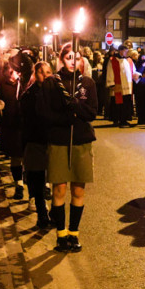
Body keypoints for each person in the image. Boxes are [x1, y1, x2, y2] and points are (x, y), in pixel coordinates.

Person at [41, 44, 99, 252]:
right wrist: (64, 118)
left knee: (78, 189)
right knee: (59, 189)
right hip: (59, 141)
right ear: (62, 59)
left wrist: (77, 107)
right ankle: (61, 234)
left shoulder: (88, 83)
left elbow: (92, 112)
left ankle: (74, 233)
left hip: (81, 141)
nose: (73, 61)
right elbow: (45, 114)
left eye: (77, 57)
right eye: (69, 57)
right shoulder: (51, 83)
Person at [21, 60, 54, 230]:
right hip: (35, 141)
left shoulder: (56, 92)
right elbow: (26, 118)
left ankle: (55, 213)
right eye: (41, 72)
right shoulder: (29, 94)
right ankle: (42, 215)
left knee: (55, 179)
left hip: (52, 141)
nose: (45, 76)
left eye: (48, 72)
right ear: (35, 74)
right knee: (37, 180)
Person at [0, 51, 33, 201]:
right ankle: (18, 184)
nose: (15, 74)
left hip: (28, 124)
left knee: (28, 157)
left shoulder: (29, 82)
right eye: (13, 70)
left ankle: (30, 184)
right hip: (12, 124)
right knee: (16, 156)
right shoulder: (3, 81)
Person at [106, 43, 138, 127]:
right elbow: (110, 71)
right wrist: (111, 83)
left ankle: (124, 119)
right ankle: (116, 119)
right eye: (125, 51)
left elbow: (133, 70)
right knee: (117, 103)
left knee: (126, 103)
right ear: (120, 51)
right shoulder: (113, 60)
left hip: (127, 86)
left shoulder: (129, 60)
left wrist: (137, 75)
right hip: (117, 85)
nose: (126, 52)